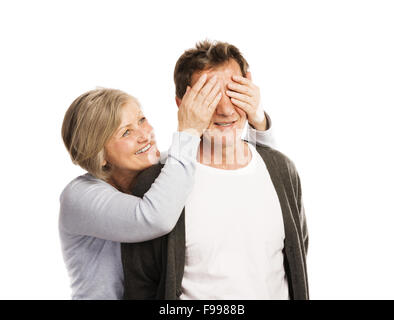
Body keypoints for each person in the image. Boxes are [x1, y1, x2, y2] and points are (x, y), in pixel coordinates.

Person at [121, 40, 309, 300]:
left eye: (233, 92)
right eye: (209, 97)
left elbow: (297, 257)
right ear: (182, 103)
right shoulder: (153, 185)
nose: (226, 110)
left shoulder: (282, 170)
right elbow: (140, 285)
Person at [59, 82, 274, 297]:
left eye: (142, 120)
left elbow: (254, 171)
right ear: (100, 154)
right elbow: (154, 218)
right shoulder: (78, 196)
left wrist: (258, 120)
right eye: (126, 133)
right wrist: (189, 130)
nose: (145, 134)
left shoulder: (166, 172)